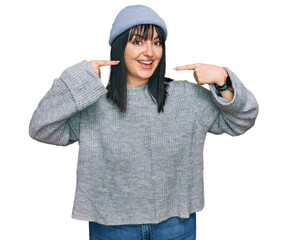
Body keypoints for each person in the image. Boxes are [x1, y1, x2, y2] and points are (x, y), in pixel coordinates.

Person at [29, 4, 259, 240]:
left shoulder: (187, 98)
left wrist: (223, 80)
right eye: (138, 42)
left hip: (175, 226)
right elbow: (41, 127)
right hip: (112, 228)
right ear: (120, 48)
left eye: (157, 42)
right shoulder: (92, 103)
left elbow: (242, 119)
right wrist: (78, 79)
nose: (150, 52)